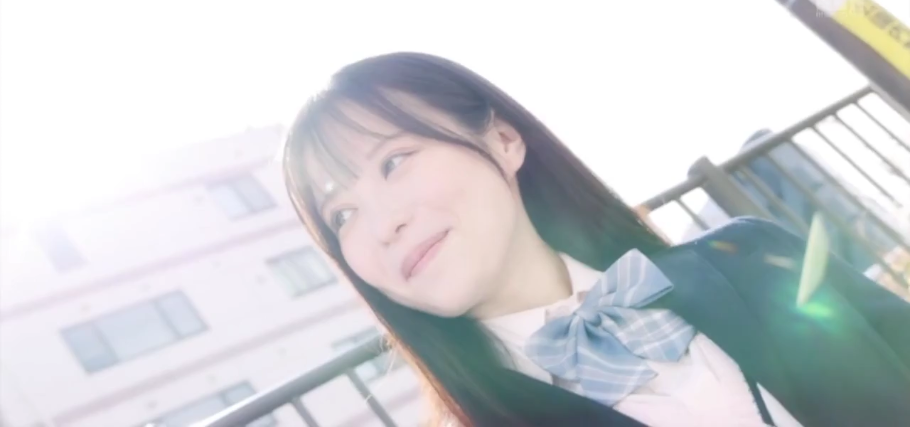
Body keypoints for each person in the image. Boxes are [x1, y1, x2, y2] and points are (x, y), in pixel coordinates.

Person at [282, 52, 910, 427]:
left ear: (502, 141)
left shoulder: (754, 259)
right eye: (341, 216)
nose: (381, 225)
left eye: (393, 161)